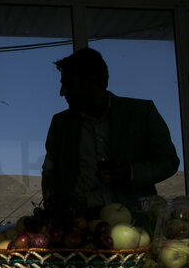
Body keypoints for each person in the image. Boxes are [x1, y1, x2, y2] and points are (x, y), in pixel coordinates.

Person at [41, 47, 180, 214]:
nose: (62, 92)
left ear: (89, 81)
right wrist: (55, 213)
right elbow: (50, 173)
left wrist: (131, 172)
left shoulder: (142, 113)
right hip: (81, 228)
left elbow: (168, 161)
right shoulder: (60, 124)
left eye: (68, 83)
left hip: (134, 223)